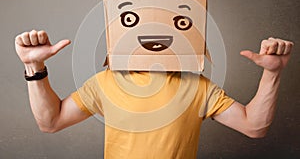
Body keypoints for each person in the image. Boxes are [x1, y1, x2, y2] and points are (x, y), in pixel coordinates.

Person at [15, 30, 294, 158]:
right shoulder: (105, 82)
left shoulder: (197, 86)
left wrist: (273, 73)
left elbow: (254, 127)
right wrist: (33, 65)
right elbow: (50, 122)